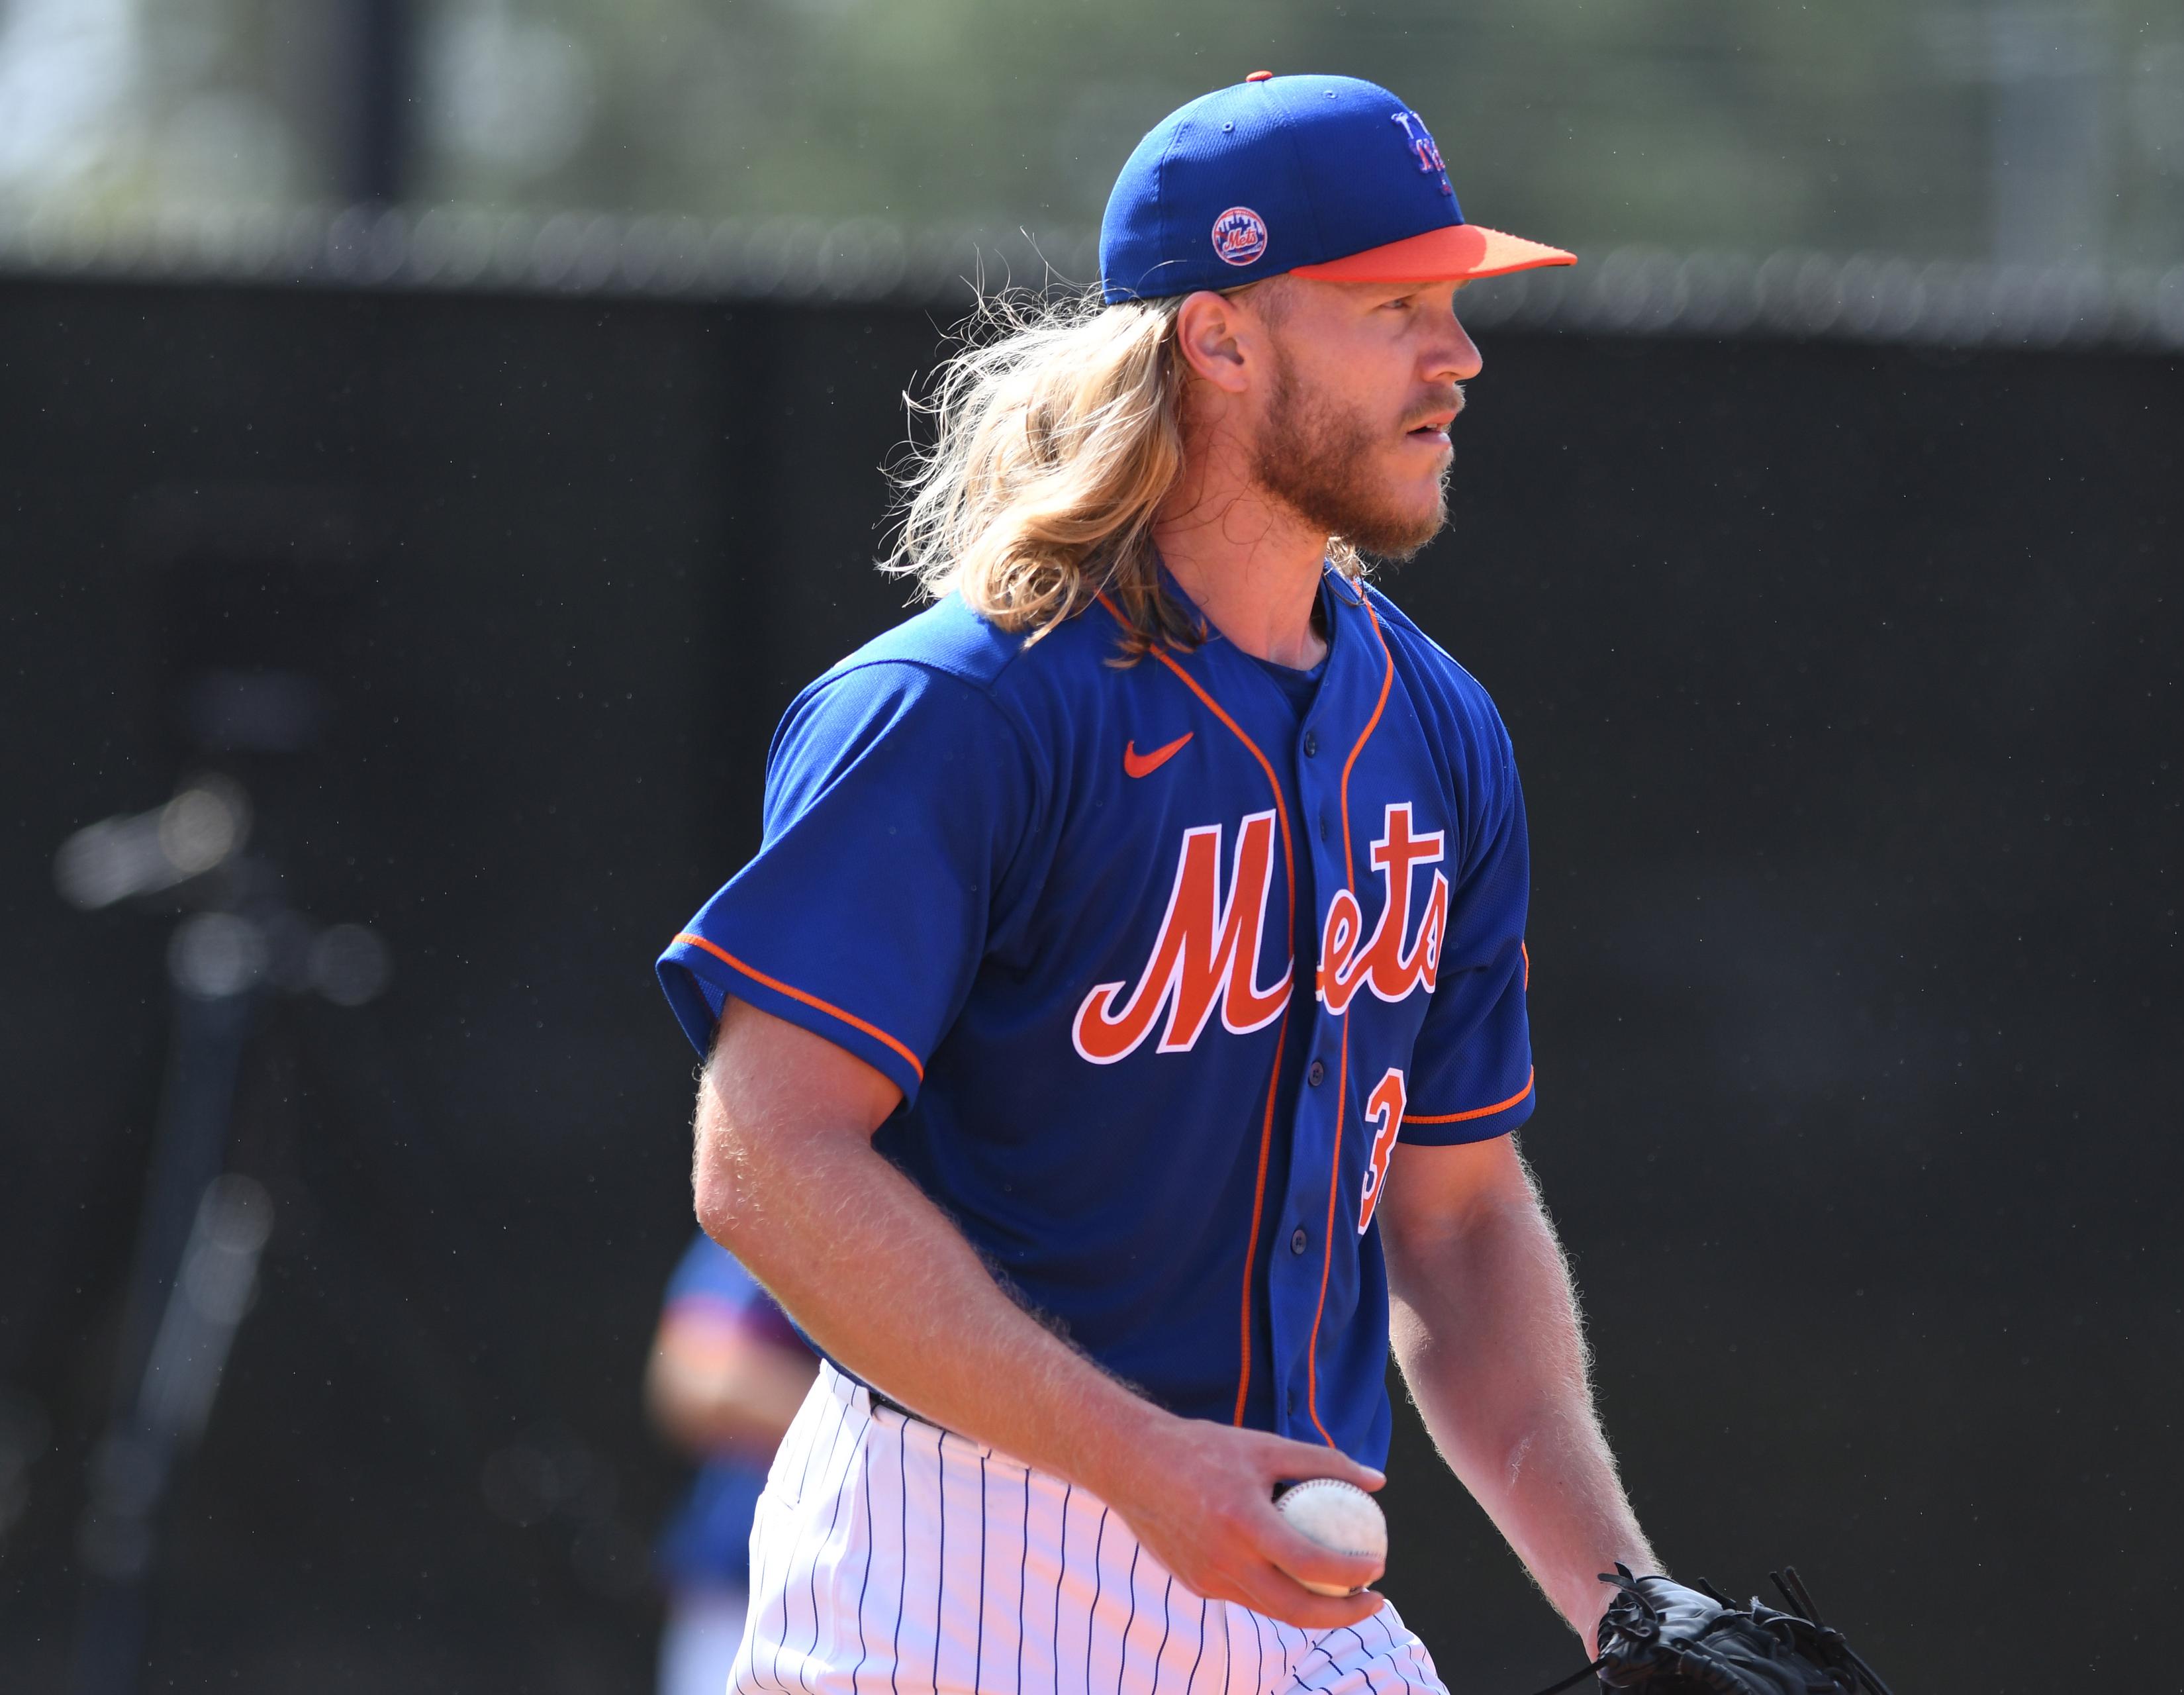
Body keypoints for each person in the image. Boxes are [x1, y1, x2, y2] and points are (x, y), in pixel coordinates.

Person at [657, 71, 1659, 1694]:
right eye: (1393, 305)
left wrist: (1625, 1598)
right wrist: (1133, 1455)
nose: (1456, 356)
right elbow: (761, 1158)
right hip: (954, 1575)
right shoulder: (968, 707)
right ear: (1218, 335)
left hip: (1284, 1573)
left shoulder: (1436, 727)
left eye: (1454, 305)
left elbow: (1458, 1221)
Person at [645, 1232, 820, 1695]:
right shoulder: (799, 1198)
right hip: (746, 1606)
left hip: (929, 1607)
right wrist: (878, 1423)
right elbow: (695, 1377)